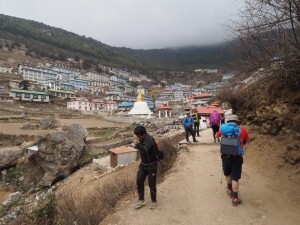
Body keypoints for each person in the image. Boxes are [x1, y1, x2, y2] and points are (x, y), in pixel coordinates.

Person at [216, 115, 250, 206]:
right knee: (235, 177)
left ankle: (229, 189)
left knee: (227, 173)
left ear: (229, 122)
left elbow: (217, 135)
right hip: (237, 156)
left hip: (226, 155)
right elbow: (246, 140)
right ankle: (235, 198)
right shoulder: (242, 130)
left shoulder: (223, 129)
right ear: (237, 122)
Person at [133, 126, 158, 210]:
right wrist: (137, 144)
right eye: (137, 136)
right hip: (143, 165)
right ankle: (141, 199)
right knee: (139, 180)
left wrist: (137, 144)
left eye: (139, 136)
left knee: (151, 183)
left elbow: (145, 149)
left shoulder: (149, 139)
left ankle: (154, 201)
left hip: (152, 165)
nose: (138, 137)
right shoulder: (140, 139)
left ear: (144, 134)